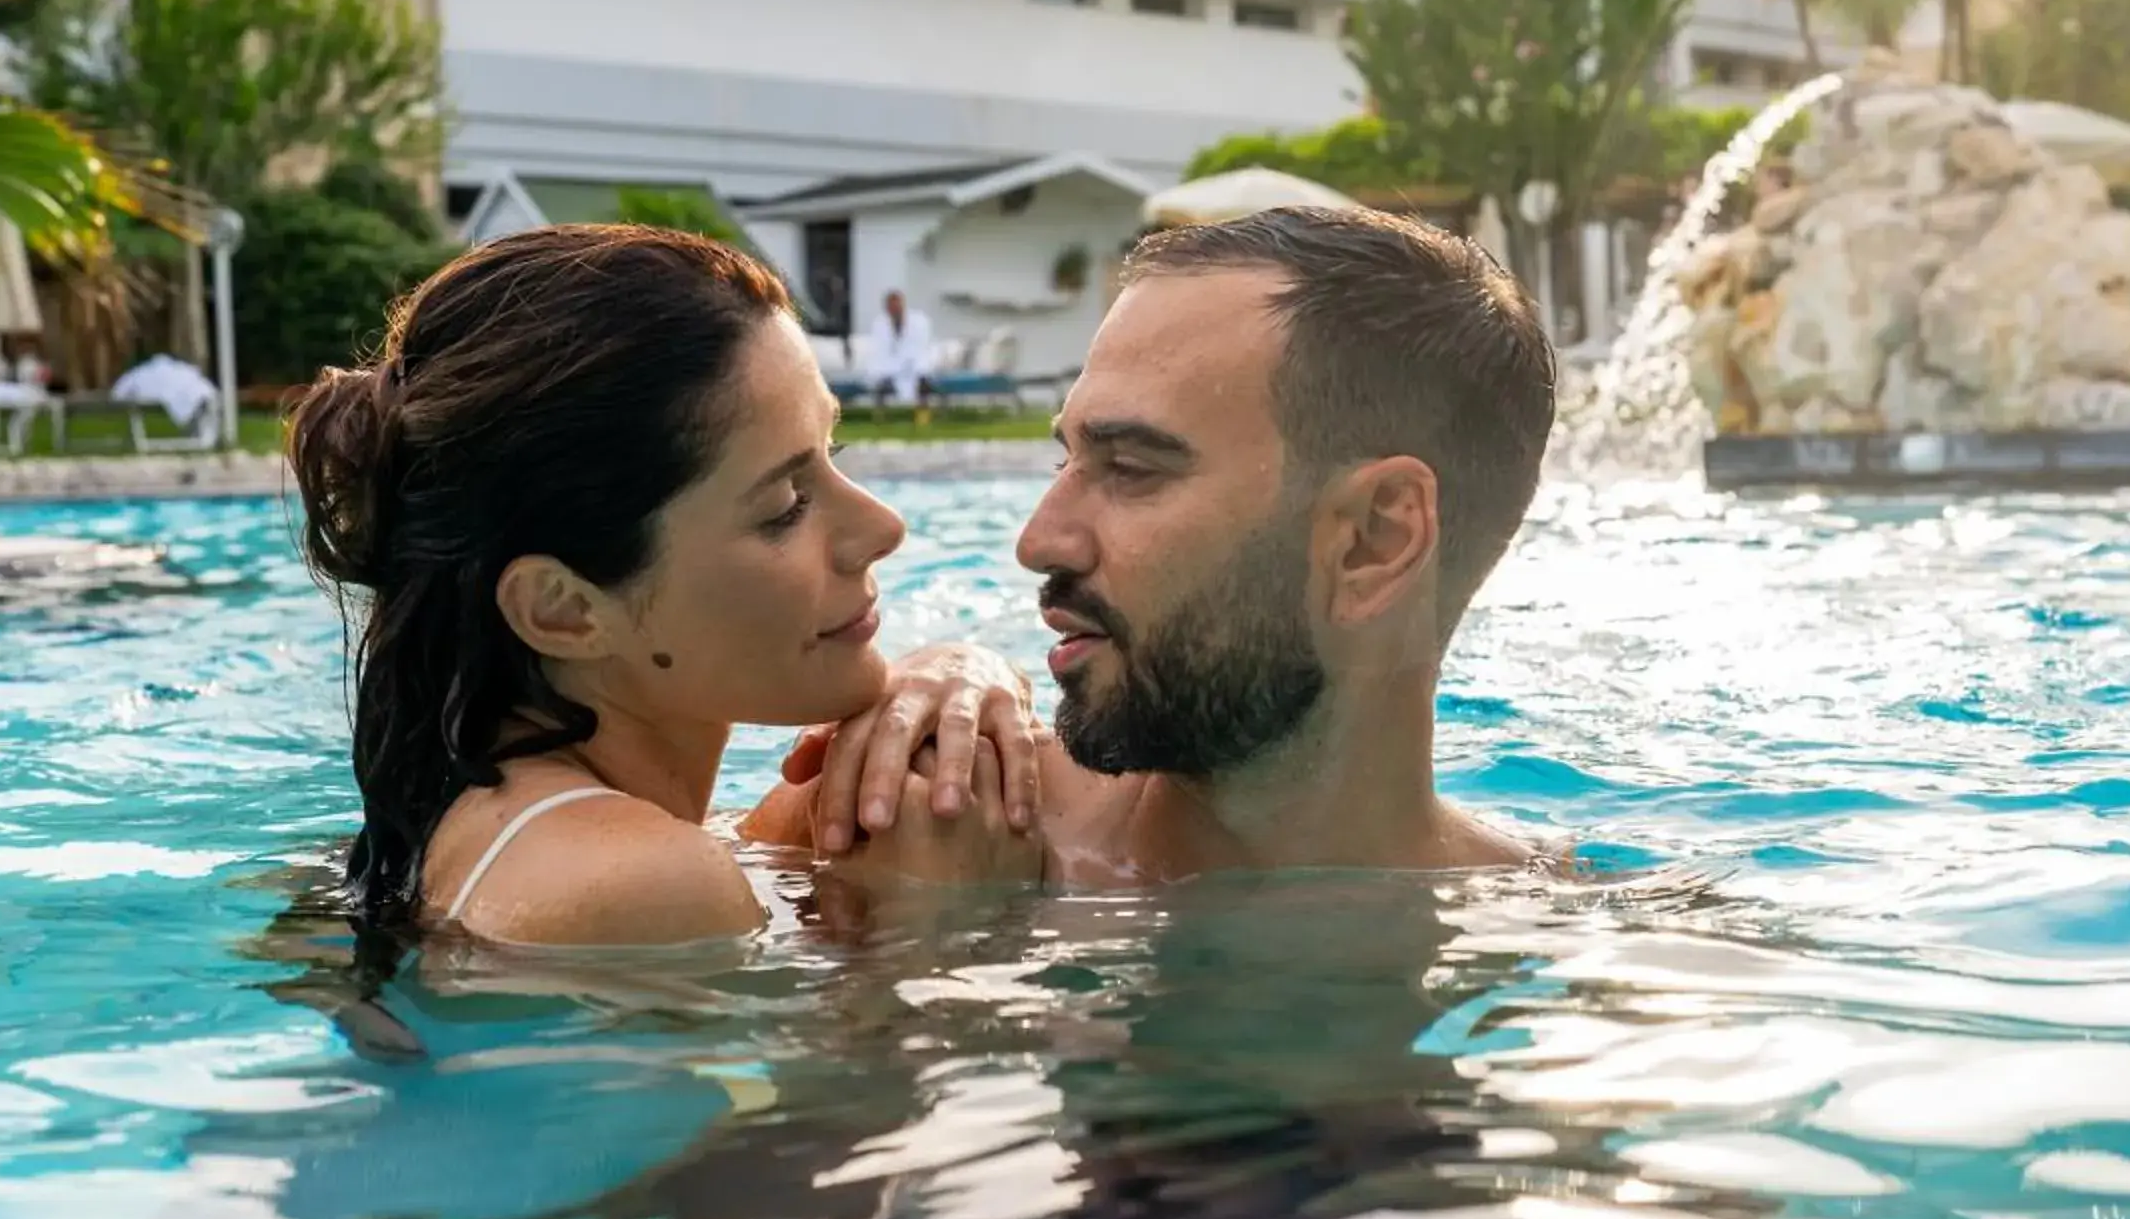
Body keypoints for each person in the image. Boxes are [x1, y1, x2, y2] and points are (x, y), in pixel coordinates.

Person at [287, 225, 1043, 950]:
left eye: (831, 452)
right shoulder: (641, 889)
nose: (882, 526)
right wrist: (933, 932)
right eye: (784, 506)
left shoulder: (495, 827)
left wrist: (963, 670)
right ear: (566, 609)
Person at [776, 205, 1558, 885]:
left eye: (1131, 468)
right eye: (1068, 458)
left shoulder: (1574, 937)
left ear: (1373, 540)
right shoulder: (901, 809)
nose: (1039, 540)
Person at [859, 289, 936, 408]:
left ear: (902, 304)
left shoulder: (919, 320)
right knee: (879, 380)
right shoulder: (879, 323)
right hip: (889, 365)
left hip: (914, 363)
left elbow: (921, 346)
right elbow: (879, 349)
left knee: (922, 379)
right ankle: (881, 414)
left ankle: (922, 414)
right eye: (891, 306)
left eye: (897, 305)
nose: (894, 308)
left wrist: (908, 363)